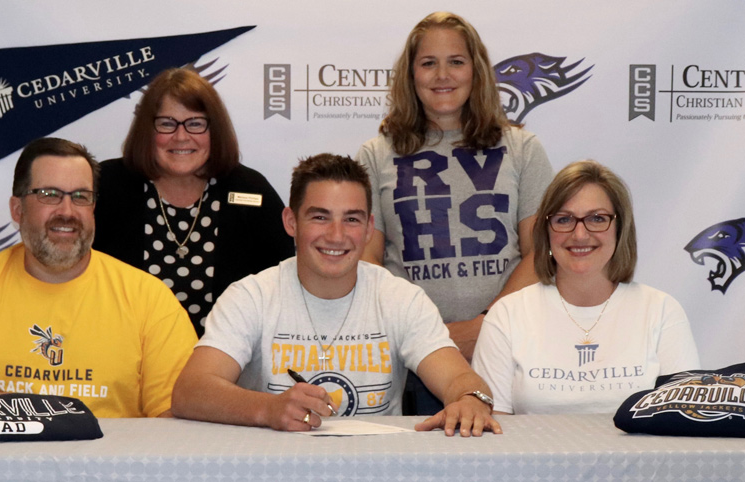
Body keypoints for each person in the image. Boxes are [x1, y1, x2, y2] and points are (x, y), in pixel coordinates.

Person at [171, 154, 501, 437]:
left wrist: (471, 402)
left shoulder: (401, 298)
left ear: (370, 228)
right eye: (320, 216)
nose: (336, 235)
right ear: (291, 222)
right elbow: (190, 391)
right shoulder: (251, 296)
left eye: (352, 219)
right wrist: (269, 409)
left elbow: (460, 379)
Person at [0, 137, 198, 418]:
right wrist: (14, 405)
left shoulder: (149, 300)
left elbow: (179, 418)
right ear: (17, 209)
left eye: (80, 196)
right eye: (49, 195)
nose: (67, 211)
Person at [355, 11, 554, 415]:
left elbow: (542, 252)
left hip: (505, 344)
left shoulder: (521, 148)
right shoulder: (376, 155)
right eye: (428, 63)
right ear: (410, 75)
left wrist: (485, 325)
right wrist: (423, 336)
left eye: (456, 61)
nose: (442, 74)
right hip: (411, 357)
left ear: (476, 70)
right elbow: (367, 260)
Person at [471, 160, 700, 414]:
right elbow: (493, 430)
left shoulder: (662, 312)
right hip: (534, 455)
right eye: (564, 219)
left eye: (597, 218)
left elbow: (682, 423)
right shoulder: (506, 316)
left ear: (620, 229)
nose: (579, 234)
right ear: (546, 231)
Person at [94, 68, 294, 337]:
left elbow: (283, 282)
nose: (181, 136)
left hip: (225, 364)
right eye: (167, 123)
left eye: (196, 123)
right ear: (147, 129)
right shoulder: (106, 185)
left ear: (215, 130)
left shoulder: (251, 190)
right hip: (123, 359)